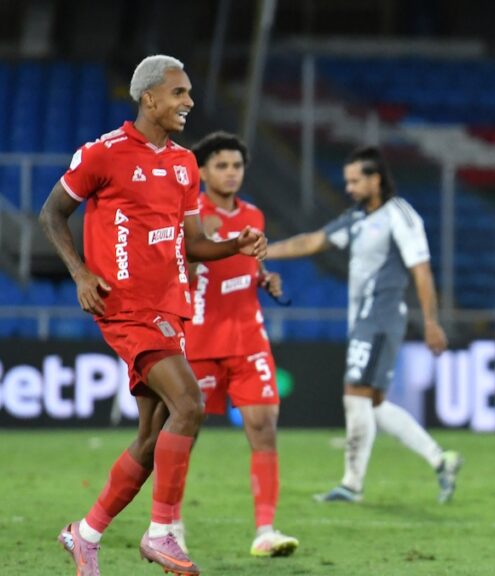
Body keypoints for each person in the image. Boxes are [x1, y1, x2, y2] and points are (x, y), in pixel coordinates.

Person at [40, 55, 267, 576]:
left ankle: (85, 534)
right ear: (149, 98)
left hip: (171, 308)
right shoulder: (104, 153)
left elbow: (193, 244)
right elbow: (52, 214)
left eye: (188, 93)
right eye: (179, 93)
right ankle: (162, 531)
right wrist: (79, 273)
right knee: (189, 402)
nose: (189, 102)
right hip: (126, 307)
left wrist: (235, 243)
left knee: (151, 436)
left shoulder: (185, 164)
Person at [265, 146, 462, 504]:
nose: (349, 188)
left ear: (376, 180)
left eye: (356, 181)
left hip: (380, 317)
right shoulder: (356, 218)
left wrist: (431, 322)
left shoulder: (400, 215)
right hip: (364, 321)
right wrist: (266, 251)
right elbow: (314, 241)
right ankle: (440, 459)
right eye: (347, 181)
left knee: (354, 394)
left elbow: (421, 270)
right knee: (374, 404)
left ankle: (351, 484)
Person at [176, 131, 299, 557]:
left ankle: (265, 530)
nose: (231, 173)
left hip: (248, 337)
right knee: (183, 434)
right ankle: (170, 523)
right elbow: (175, 268)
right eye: (222, 166)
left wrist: (263, 278)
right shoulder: (189, 215)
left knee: (263, 428)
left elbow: (247, 264)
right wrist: (197, 248)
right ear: (202, 172)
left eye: (237, 165)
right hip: (200, 339)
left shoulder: (254, 215)